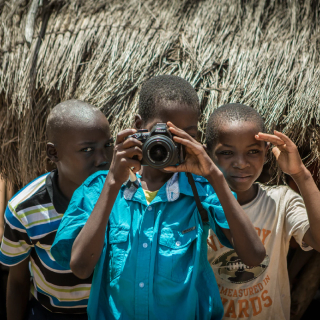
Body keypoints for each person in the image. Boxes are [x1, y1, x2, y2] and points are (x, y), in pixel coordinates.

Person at [51, 76, 265, 320]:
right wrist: (112, 182)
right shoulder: (99, 188)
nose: (172, 145)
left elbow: (254, 256)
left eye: (186, 136)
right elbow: (80, 267)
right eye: (165, 133)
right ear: (139, 126)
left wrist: (214, 174)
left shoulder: (202, 189)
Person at [0, 100, 114, 320]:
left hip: (108, 312)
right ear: (53, 153)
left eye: (107, 146)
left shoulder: (121, 197)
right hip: (49, 313)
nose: (103, 159)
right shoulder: (25, 209)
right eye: (87, 150)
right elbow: (17, 281)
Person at [206, 103, 320, 319]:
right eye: (228, 152)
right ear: (209, 154)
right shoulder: (199, 208)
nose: (241, 163)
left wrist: (301, 174)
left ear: (266, 153)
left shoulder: (280, 201)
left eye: (253, 152)